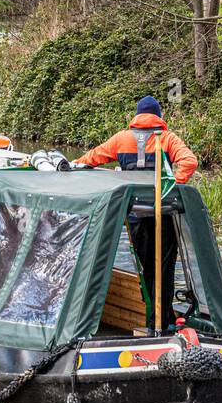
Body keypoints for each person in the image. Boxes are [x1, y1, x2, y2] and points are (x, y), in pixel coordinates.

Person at [73, 96, 198, 331]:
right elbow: (189, 162)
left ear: (137, 116)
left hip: (135, 216)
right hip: (163, 214)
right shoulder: (167, 138)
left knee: (147, 268)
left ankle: (155, 317)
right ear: (158, 117)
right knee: (164, 268)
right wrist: (170, 186)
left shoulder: (121, 138)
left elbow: (91, 159)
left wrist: (72, 165)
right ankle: (162, 321)